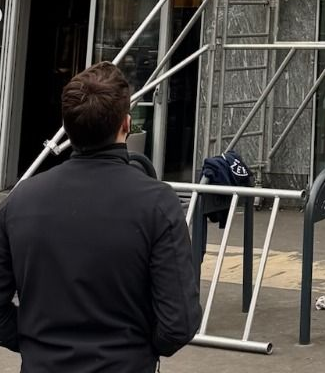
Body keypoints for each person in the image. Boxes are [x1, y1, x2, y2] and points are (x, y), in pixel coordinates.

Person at [0, 62, 201, 373]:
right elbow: (179, 323)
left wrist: (35, 342)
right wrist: (137, 349)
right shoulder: (158, 204)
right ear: (127, 124)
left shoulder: (20, 201)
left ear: (67, 127)